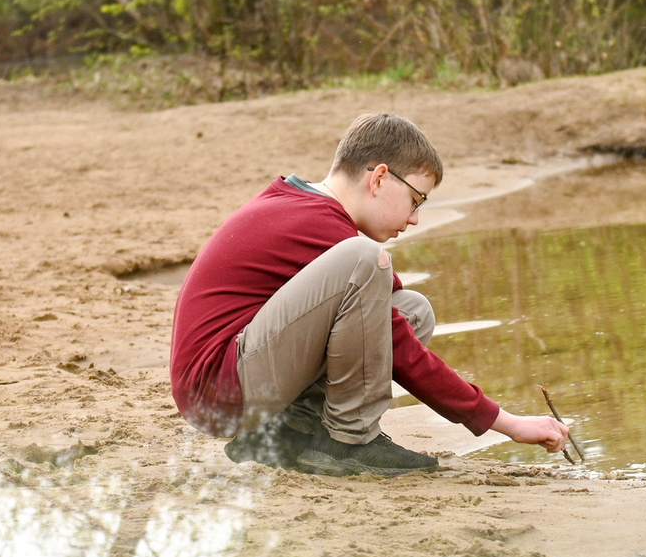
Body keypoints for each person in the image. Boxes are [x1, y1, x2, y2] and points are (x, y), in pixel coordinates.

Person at [170, 112, 572, 475]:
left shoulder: (308, 209)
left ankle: (291, 432)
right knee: (368, 260)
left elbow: (392, 324)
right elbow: (397, 344)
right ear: (379, 178)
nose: (415, 218)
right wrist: (505, 422)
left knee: (413, 310)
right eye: (416, 200)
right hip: (217, 393)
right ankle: (349, 442)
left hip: (235, 380)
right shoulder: (316, 223)